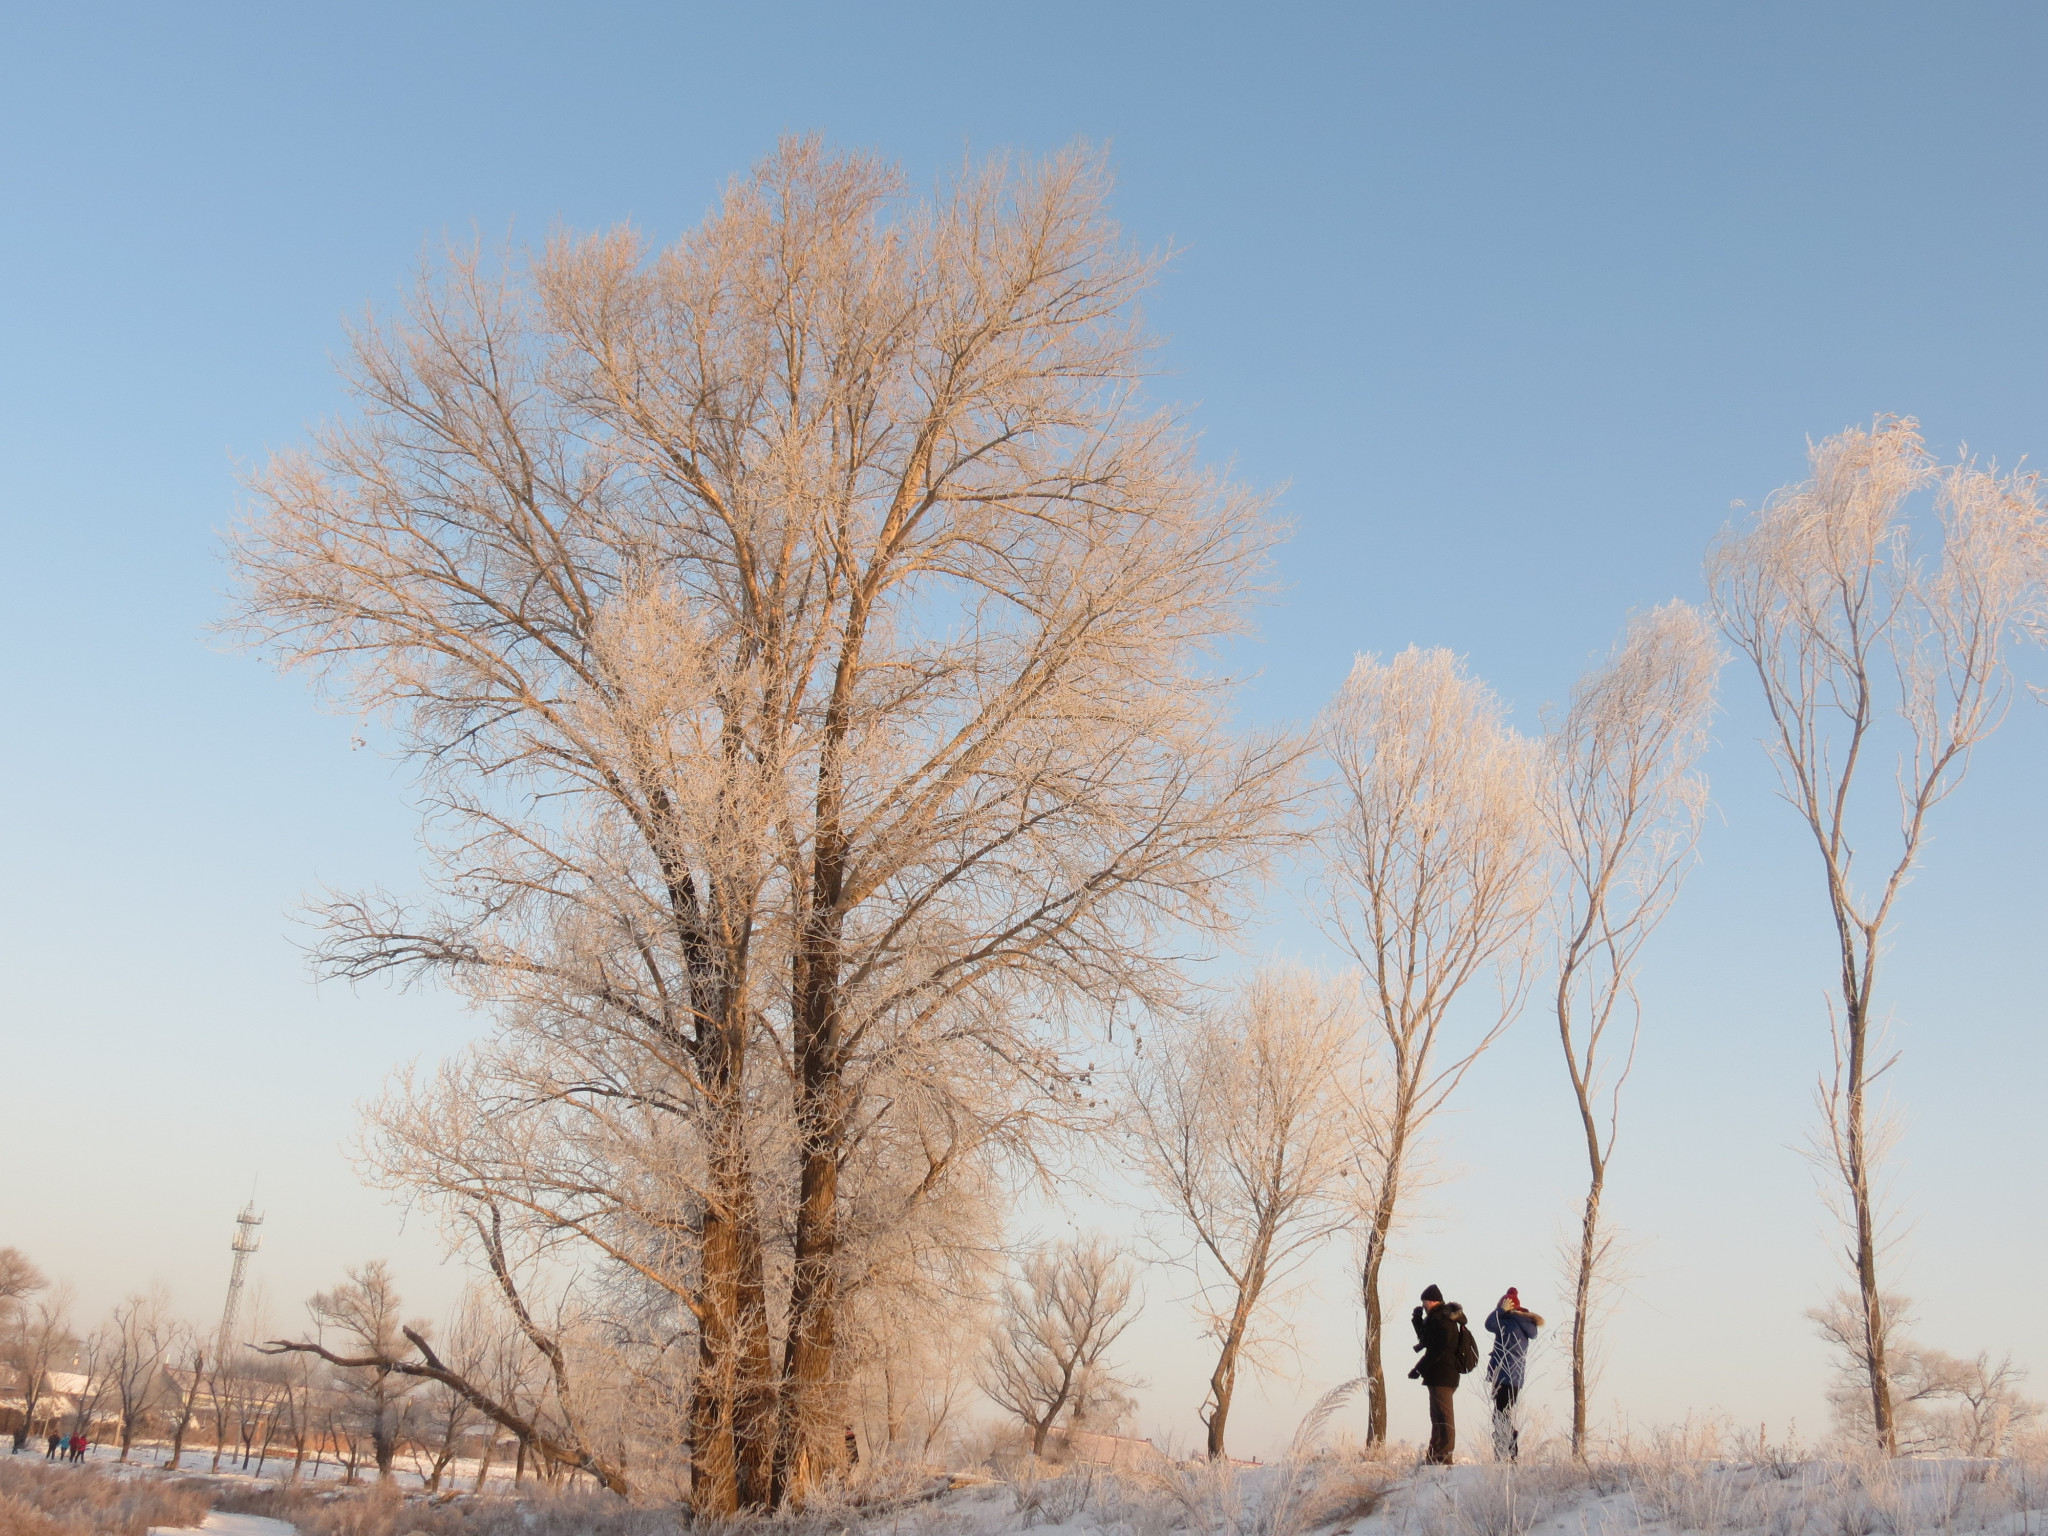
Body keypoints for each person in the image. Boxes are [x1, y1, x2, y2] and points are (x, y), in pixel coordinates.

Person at [1408, 1283, 1469, 1464]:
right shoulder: (1437, 1318)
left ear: (1432, 1301)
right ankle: (1435, 1455)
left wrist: (1419, 1369)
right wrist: (1417, 1319)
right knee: (1437, 1416)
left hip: (1443, 1373)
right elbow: (1426, 1339)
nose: (1423, 1305)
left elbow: (1436, 1348)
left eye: (1424, 1302)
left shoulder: (1441, 1320)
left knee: (1443, 1415)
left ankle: (1444, 1456)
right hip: (1440, 1374)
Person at [1483, 1288, 1544, 1461]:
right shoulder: (1523, 1324)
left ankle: (1506, 1453)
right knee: (1504, 1414)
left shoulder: (1509, 1323)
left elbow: (1489, 1324)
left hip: (1504, 1375)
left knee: (1501, 1416)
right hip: (1515, 1377)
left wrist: (1500, 1311)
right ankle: (1508, 1452)